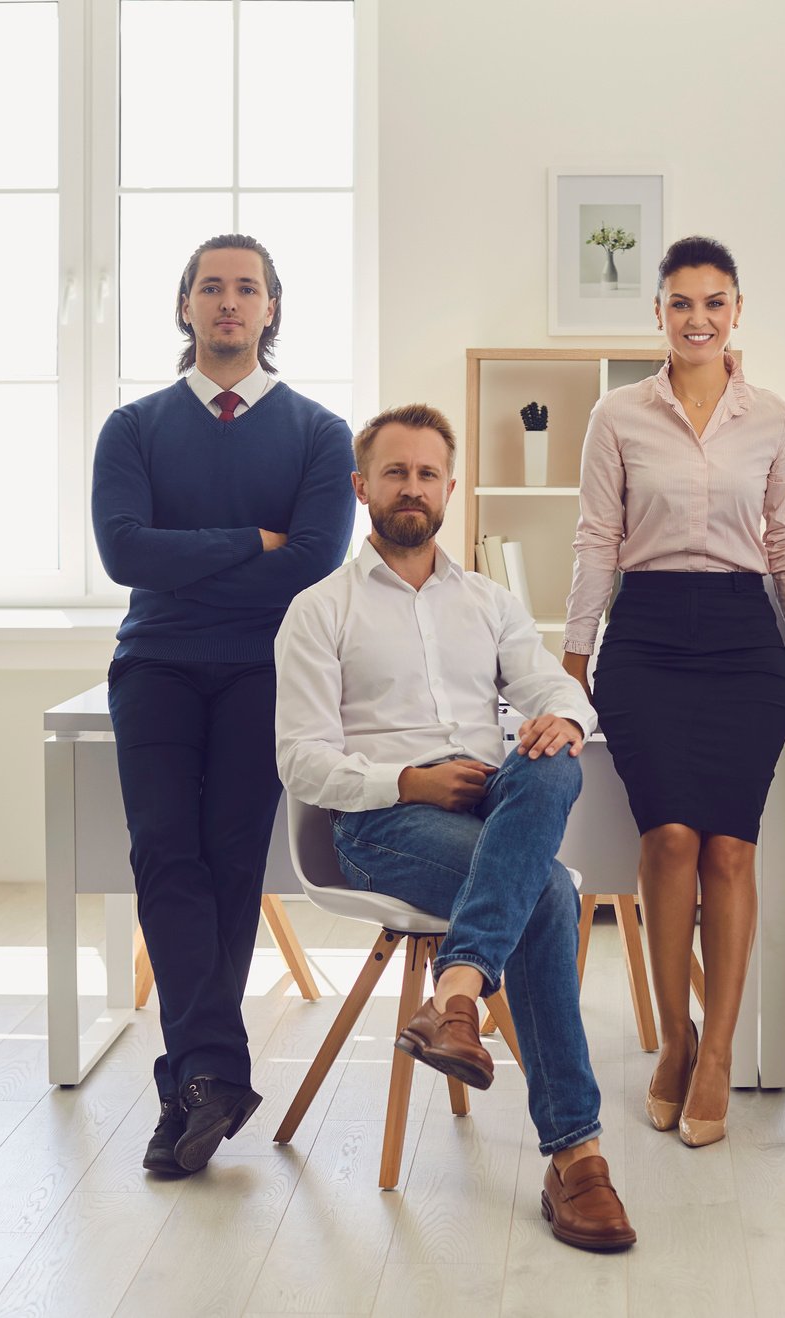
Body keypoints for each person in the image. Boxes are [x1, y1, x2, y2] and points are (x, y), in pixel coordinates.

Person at [275, 403, 636, 1253]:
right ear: (362, 487)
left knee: (555, 760)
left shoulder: (489, 602)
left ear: (450, 488)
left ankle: (458, 996)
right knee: (546, 893)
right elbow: (301, 763)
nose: (412, 487)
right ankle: (576, 1157)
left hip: (488, 812)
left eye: (427, 473)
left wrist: (562, 720)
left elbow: (555, 688)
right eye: (394, 472)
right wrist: (408, 779)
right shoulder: (318, 610)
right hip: (379, 826)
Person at [563, 235, 785, 1150]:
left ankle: (716, 1050)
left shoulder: (772, 417)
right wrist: (571, 664)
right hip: (644, 636)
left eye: (713, 302)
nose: (697, 318)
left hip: (741, 638)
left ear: (735, 311)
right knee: (669, 837)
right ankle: (673, 1038)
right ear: (657, 312)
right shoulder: (616, 415)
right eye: (680, 302)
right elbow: (595, 541)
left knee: (730, 848)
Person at [92, 233, 356, 1176]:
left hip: (265, 671)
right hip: (155, 664)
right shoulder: (133, 430)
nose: (229, 302)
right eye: (212, 287)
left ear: (272, 308)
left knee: (230, 859)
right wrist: (251, 538)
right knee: (164, 854)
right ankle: (212, 1072)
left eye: (247, 288)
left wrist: (193, 558)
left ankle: (194, 1086)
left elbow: (313, 564)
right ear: (185, 307)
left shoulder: (321, 435)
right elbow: (125, 555)